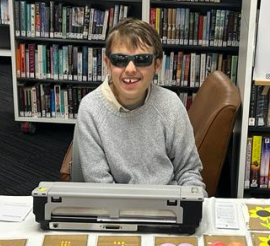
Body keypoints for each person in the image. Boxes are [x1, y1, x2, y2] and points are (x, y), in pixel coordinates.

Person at [72, 18, 206, 191]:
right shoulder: (90, 109)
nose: (130, 69)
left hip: (167, 206)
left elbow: (188, 171)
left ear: (157, 65)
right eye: (120, 59)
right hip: (116, 211)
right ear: (107, 64)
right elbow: (100, 187)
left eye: (142, 59)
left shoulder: (171, 104)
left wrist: (191, 205)